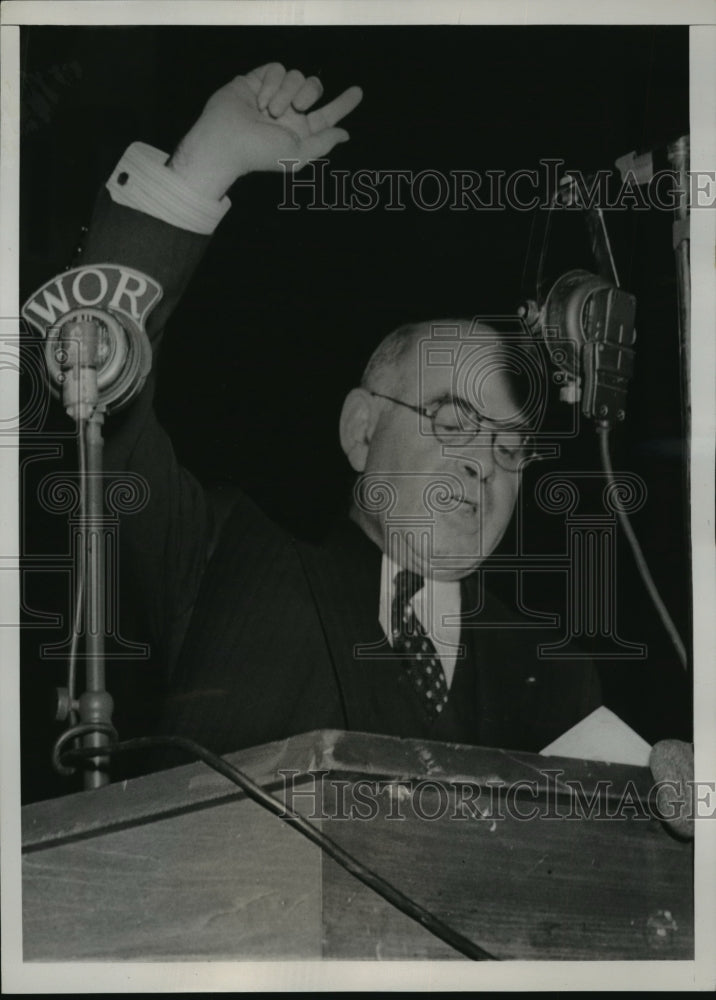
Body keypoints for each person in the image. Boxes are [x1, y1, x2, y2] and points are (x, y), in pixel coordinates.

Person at [74, 64, 600, 763]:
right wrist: (206, 164)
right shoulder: (225, 561)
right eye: (452, 421)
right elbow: (92, 396)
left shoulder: (553, 677)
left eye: (512, 444)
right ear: (361, 430)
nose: (483, 460)